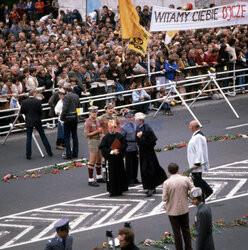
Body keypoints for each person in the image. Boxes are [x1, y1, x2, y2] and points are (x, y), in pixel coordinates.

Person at [162, 163, 194, 250]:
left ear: (168, 171)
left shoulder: (166, 183)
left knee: (176, 232)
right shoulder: (185, 179)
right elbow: (193, 191)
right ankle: (189, 248)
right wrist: (187, 194)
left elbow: (164, 198)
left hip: (172, 211)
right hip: (184, 208)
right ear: (178, 169)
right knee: (186, 230)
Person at [135, 112, 167, 197]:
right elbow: (137, 141)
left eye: (137, 120)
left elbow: (152, 141)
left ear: (141, 120)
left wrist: (141, 137)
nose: (135, 121)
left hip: (149, 152)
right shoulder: (138, 128)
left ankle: (151, 187)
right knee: (145, 169)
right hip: (142, 152)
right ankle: (150, 186)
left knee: (149, 169)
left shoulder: (147, 128)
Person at [20, 89, 53, 159]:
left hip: (29, 120)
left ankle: (28, 155)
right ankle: (49, 152)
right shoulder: (37, 101)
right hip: (37, 120)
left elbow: (22, 111)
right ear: (34, 93)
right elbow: (41, 111)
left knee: (29, 138)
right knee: (42, 135)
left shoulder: (24, 102)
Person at [99, 120, 128, 196]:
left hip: (118, 159)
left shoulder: (119, 136)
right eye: (109, 128)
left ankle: (120, 190)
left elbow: (124, 144)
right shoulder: (105, 138)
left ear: (115, 128)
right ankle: (112, 191)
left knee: (119, 174)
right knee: (111, 175)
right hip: (110, 160)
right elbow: (103, 148)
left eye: (112, 128)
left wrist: (118, 150)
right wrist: (112, 151)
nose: (110, 129)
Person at [187, 120, 213, 202]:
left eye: (190, 126)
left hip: (196, 165)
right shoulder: (197, 135)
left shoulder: (198, 137)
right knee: (198, 180)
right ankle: (208, 191)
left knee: (197, 183)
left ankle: (202, 200)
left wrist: (197, 163)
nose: (189, 128)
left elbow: (199, 150)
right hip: (195, 164)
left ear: (194, 127)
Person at [84, 106, 105, 187]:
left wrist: (101, 134)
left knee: (99, 159)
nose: (94, 113)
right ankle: (90, 179)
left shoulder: (97, 120)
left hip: (99, 140)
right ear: (89, 112)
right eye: (93, 112)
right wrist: (97, 131)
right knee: (92, 160)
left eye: (95, 112)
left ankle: (99, 177)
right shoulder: (88, 122)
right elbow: (86, 135)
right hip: (92, 141)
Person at [120, 110, 139, 186]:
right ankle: (129, 180)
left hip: (135, 146)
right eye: (128, 117)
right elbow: (121, 138)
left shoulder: (135, 125)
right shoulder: (124, 127)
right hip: (128, 146)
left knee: (135, 163)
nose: (130, 118)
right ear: (125, 118)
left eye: (131, 117)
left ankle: (135, 178)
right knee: (129, 164)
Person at [60, 83, 80, 159]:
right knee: (75, 135)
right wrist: (78, 116)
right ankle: (75, 153)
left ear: (65, 90)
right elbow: (78, 107)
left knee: (67, 136)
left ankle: (69, 154)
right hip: (75, 117)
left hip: (67, 118)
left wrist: (62, 118)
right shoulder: (76, 96)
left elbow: (64, 109)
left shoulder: (66, 97)